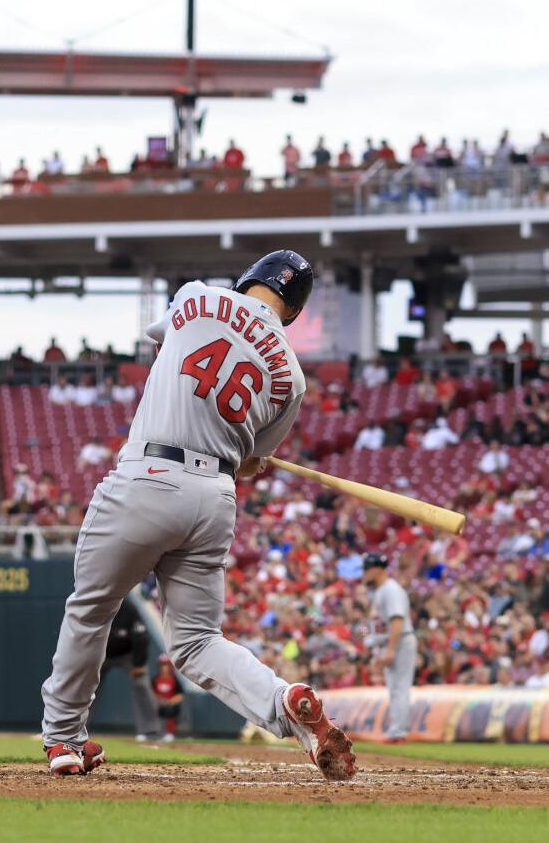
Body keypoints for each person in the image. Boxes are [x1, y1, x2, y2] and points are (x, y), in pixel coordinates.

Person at [40, 249, 355, 780]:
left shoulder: (196, 296)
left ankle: (65, 740)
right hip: (212, 497)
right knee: (197, 642)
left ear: (249, 278)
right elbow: (252, 461)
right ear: (295, 312)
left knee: (92, 610)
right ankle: (283, 701)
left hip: (148, 474)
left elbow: (166, 345)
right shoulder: (293, 379)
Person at [363, 553, 415, 743]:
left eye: (367, 569)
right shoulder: (380, 591)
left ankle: (398, 732)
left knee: (399, 688)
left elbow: (397, 621)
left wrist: (391, 649)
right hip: (391, 641)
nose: (364, 574)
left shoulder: (391, 589)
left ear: (377, 569)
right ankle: (396, 730)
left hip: (400, 640)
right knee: (395, 689)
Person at [100, 600, 162, 742]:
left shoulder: (128, 607)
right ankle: (74, 730)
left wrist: (139, 664)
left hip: (127, 654)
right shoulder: (95, 605)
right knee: (84, 688)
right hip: (100, 655)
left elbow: (140, 636)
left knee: (142, 684)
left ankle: (150, 730)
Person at [152, 654, 183, 741]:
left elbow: (180, 695)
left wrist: (170, 701)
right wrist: (159, 700)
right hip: (158, 704)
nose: (164, 667)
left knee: (170, 710)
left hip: (170, 705)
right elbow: (151, 694)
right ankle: (155, 732)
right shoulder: (155, 679)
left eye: (166, 665)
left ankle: (170, 733)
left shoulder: (174, 679)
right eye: (162, 665)